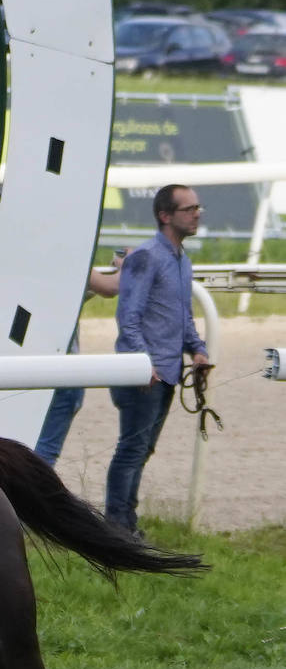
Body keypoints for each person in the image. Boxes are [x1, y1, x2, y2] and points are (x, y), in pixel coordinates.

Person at [104, 184, 210, 536]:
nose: (197, 213)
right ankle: (117, 526)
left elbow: (182, 314)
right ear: (166, 215)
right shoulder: (146, 256)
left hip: (166, 373)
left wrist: (197, 348)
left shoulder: (182, 260)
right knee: (132, 449)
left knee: (143, 448)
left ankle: (125, 522)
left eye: (198, 208)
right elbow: (128, 317)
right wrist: (142, 363)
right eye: (189, 208)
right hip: (143, 375)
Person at [34, 259, 123, 467]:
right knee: (45, 451)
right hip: (63, 371)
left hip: (26, 367)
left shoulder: (30, 264)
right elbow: (111, 287)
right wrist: (126, 265)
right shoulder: (70, 261)